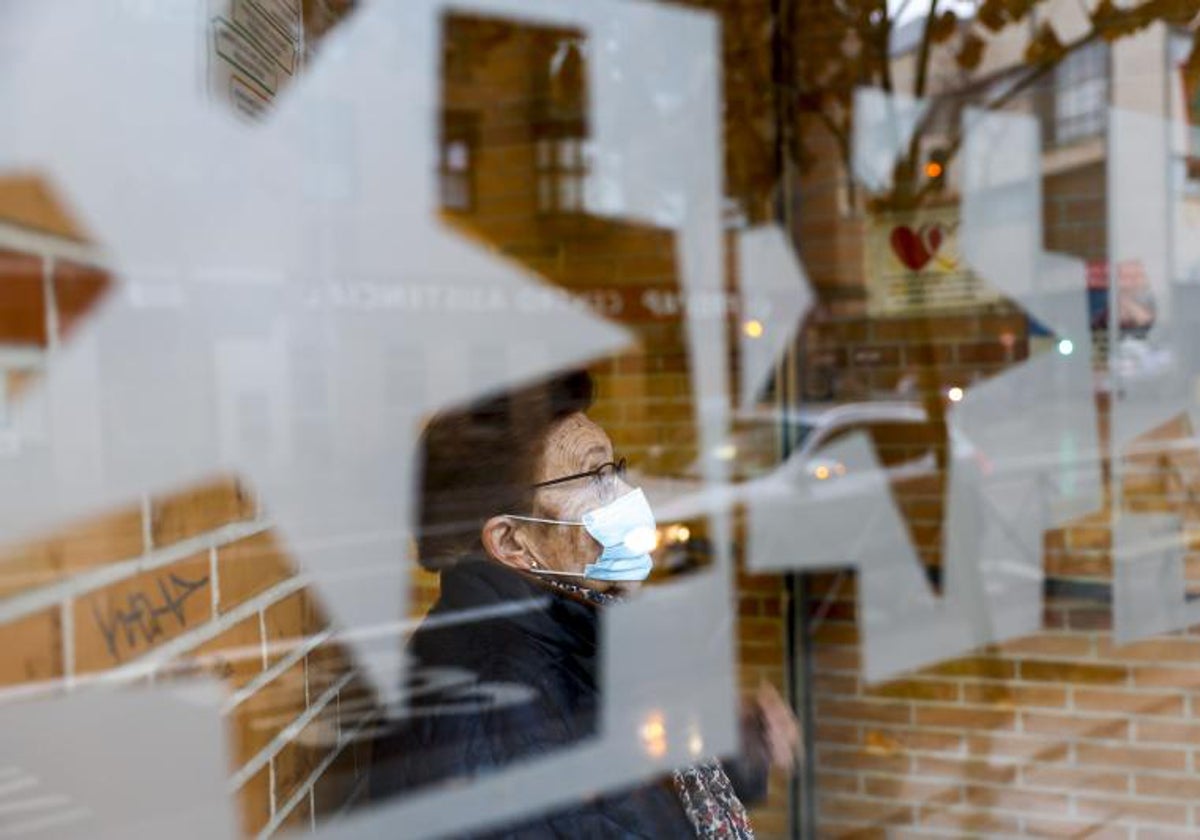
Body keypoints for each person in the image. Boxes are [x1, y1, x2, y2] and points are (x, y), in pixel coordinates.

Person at [369, 370, 799, 837]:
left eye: (615, 470)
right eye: (595, 478)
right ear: (512, 540)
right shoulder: (500, 700)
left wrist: (734, 753)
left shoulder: (562, 642)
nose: (628, 497)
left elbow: (618, 801)